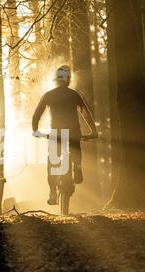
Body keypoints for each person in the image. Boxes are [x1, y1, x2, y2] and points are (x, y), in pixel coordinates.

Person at [32, 65, 98, 205]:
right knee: (75, 147)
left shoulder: (48, 95)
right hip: (74, 132)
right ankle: (77, 167)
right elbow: (85, 113)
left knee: (52, 162)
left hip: (56, 133)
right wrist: (93, 131)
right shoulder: (74, 95)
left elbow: (37, 115)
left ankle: (53, 193)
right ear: (68, 79)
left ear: (56, 79)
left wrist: (35, 130)